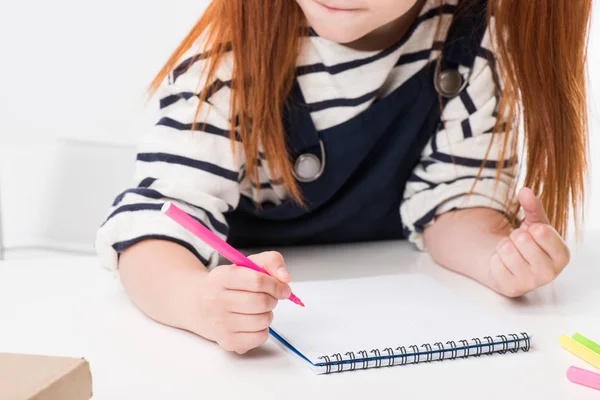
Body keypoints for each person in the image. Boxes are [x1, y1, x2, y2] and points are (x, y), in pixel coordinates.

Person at [96, 0, 592, 354]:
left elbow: (454, 203)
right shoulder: (229, 55)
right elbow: (153, 229)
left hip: (400, 323)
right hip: (262, 343)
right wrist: (199, 301)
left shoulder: (467, 35)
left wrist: (499, 258)